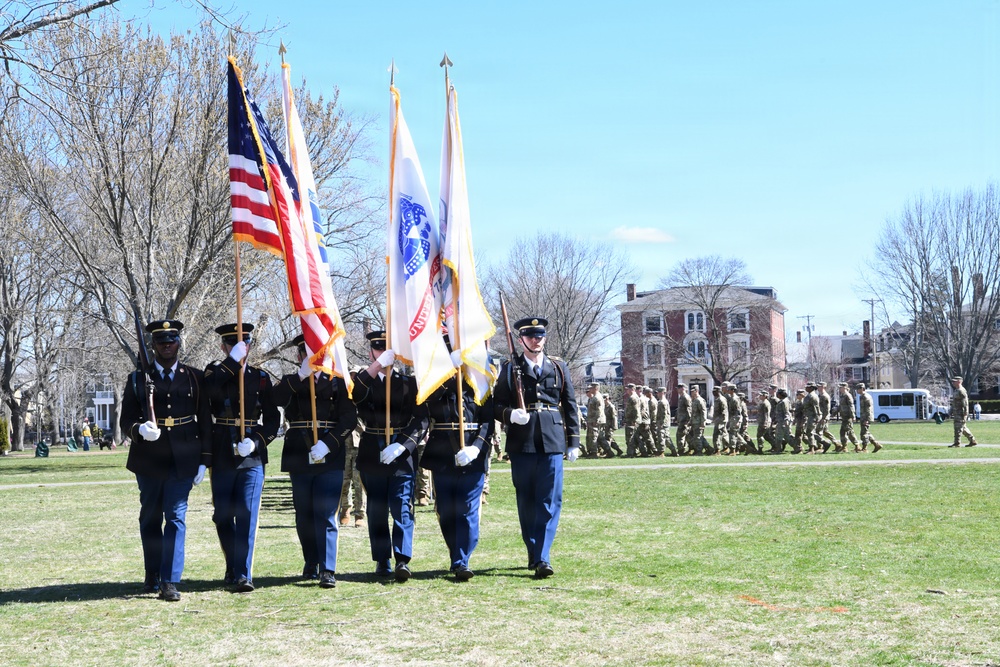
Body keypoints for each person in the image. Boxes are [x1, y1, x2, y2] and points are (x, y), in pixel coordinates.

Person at [120, 319, 210, 602]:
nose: (167, 346)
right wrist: (139, 430)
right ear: (153, 346)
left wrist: (204, 461)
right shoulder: (137, 379)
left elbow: (205, 422)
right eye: (161, 342)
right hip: (148, 458)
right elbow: (126, 421)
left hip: (184, 457)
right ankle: (152, 572)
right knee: (150, 518)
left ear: (179, 343)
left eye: (171, 341)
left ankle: (170, 581)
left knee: (176, 517)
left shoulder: (194, 377)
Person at [493, 316, 580, 579]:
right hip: (523, 440)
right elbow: (495, 406)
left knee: (550, 499)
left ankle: (543, 556)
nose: (536, 340)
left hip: (552, 439)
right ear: (521, 340)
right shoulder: (510, 368)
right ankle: (533, 551)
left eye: (540, 336)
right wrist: (510, 415)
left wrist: (573, 441)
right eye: (531, 336)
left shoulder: (558, 367)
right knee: (527, 499)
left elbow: (570, 404)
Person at [274, 334, 358, 588]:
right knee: (304, 513)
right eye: (304, 353)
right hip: (299, 452)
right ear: (299, 356)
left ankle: (328, 568)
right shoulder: (291, 381)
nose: (309, 357)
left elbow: (348, 419)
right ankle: (311, 561)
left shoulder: (339, 382)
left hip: (329, 453)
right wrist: (300, 377)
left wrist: (328, 443)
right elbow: (275, 401)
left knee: (325, 512)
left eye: (315, 353)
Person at [203, 323, 280, 592]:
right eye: (233, 345)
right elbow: (208, 393)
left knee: (247, 514)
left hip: (251, 454)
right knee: (223, 515)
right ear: (223, 346)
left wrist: (257, 441)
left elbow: (272, 419)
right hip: (223, 449)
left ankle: (243, 573)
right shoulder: (215, 371)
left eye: (244, 344)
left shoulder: (260, 378)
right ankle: (233, 563)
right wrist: (231, 363)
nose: (240, 348)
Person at [352, 331, 427, 582]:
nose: (382, 353)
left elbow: (421, 419)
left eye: (387, 350)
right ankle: (382, 560)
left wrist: (404, 445)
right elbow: (354, 395)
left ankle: (402, 559)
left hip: (400, 453)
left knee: (402, 506)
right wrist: (375, 366)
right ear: (372, 351)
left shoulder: (409, 383)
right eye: (377, 349)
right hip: (372, 450)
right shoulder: (363, 381)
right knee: (376, 509)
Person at [417, 336, 494, 581]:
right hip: (442, 452)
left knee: (469, 508)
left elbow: (488, 420)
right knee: (446, 509)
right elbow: (427, 403)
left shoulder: (480, 379)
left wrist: (476, 448)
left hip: (473, 451)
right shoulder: (435, 379)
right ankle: (455, 554)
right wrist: (450, 374)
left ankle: (462, 560)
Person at [949, 376, 978, 448]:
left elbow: (965, 403)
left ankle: (957, 443)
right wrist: (951, 411)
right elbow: (954, 402)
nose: (953, 383)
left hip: (961, 413)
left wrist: (965, 413)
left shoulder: (961, 391)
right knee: (963, 428)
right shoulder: (956, 390)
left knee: (958, 428)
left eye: (954, 381)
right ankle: (972, 440)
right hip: (956, 412)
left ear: (959, 381)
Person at [856, 383, 882, 453]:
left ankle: (864, 448)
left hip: (866, 417)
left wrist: (866, 419)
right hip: (863, 416)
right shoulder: (862, 396)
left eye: (858, 389)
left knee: (863, 433)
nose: (857, 390)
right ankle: (876, 445)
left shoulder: (865, 397)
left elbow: (868, 409)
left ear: (862, 389)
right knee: (866, 432)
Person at [837, 383, 859, 453]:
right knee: (843, 432)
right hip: (844, 416)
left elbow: (851, 406)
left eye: (841, 387)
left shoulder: (848, 395)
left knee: (849, 432)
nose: (839, 389)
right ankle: (844, 447)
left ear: (845, 388)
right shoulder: (842, 396)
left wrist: (853, 416)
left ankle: (857, 446)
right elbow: (840, 406)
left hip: (848, 416)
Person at [688, 385, 709, 455]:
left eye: (693, 391)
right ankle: (709, 449)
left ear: (696, 391)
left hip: (699, 422)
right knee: (697, 436)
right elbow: (693, 412)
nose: (691, 393)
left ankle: (699, 451)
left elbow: (703, 412)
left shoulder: (700, 400)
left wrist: (703, 422)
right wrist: (690, 421)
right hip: (694, 421)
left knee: (698, 437)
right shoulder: (694, 400)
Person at [711, 386, 729, 456]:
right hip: (718, 419)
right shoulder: (717, 399)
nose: (713, 393)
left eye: (715, 391)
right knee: (724, 434)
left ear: (718, 391)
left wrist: (721, 420)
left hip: (721, 420)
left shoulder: (721, 399)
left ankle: (717, 450)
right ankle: (727, 447)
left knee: (717, 434)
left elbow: (724, 411)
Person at [623, 384, 640, 457]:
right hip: (631, 420)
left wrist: (634, 420)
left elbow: (635, 410)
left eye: (628, 389)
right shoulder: (634, 397)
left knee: (630, 437)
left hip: (631, 420)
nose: (627, 391)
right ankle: (634, 452)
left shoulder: (633, 398)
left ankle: (630, 453)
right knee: (633, 437)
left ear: (632, 389)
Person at [674, 383, 691, 455]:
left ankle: (681, 450)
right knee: (684, 435)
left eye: (679, 388)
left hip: (684, 420)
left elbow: (689, 409)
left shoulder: (685, 397)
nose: (677, 390)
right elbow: (679, 409)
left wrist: (688, 420)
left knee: (680, 435)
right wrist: (676, 417)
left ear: (683, 388)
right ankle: (684, 449)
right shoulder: (681, 397)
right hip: (681, 419)